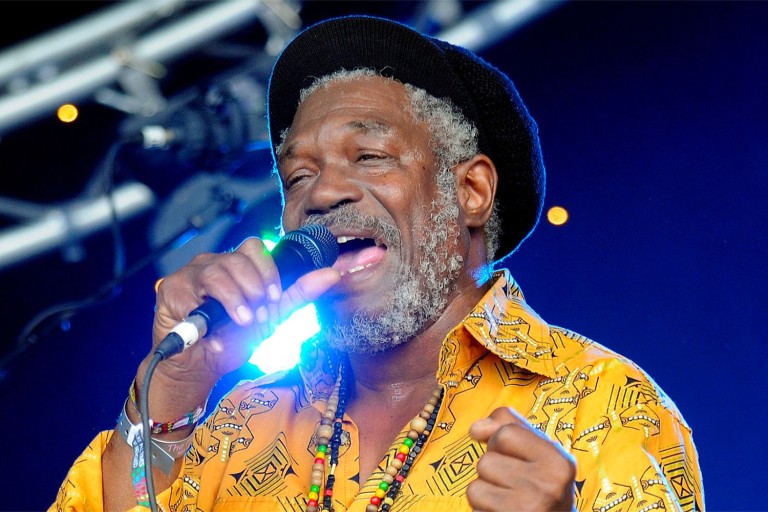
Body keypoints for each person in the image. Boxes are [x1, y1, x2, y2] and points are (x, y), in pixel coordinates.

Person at [51, 14, 704, 512]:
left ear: (471, 192)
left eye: (369, 157)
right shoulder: (240, 421)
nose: (321, 195)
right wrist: (173, 390)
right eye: (298, 176)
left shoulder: (601, 403)